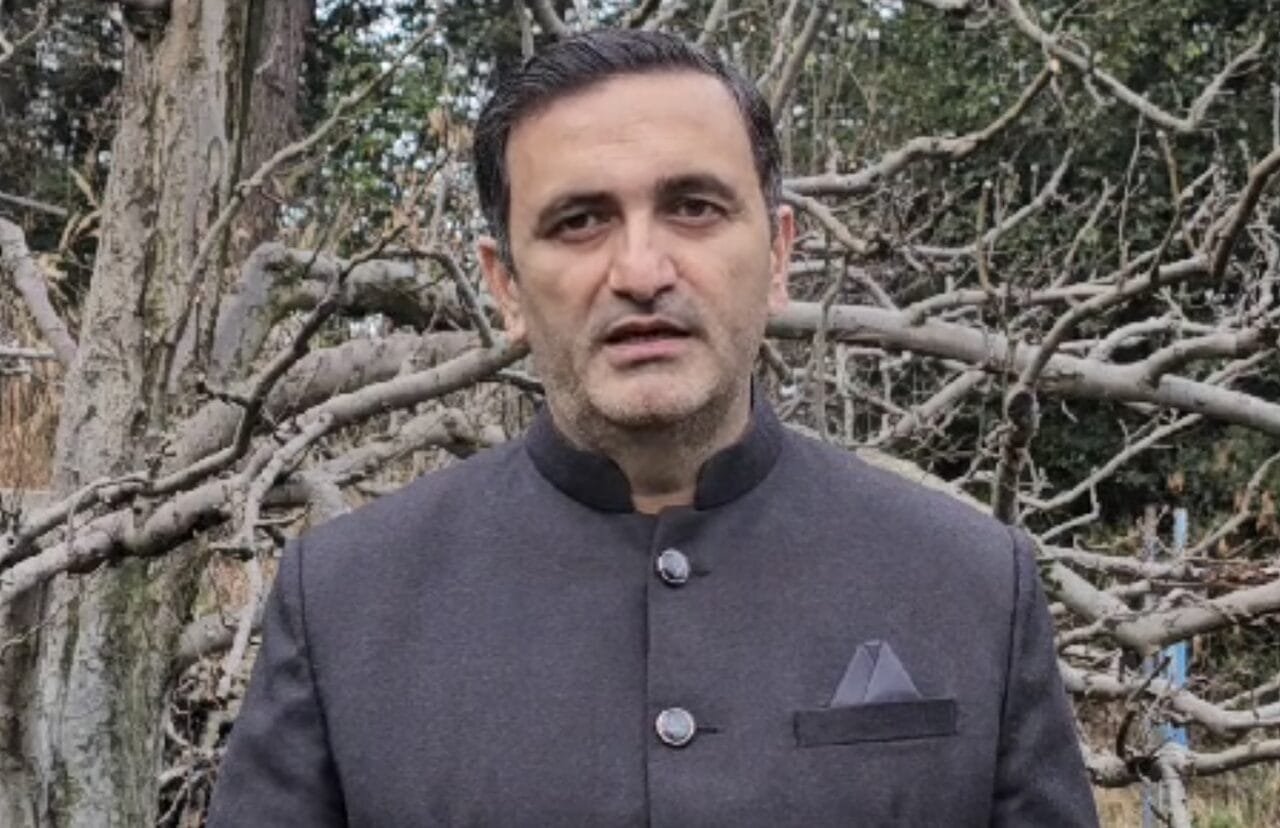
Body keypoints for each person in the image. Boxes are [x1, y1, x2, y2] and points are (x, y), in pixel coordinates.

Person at [209, 29, 1099, 827]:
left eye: (694, 208)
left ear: (779, 254)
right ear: (505, 285)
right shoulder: (346, 603)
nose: (640, 270)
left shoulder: (970, 583)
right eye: (579, 221)